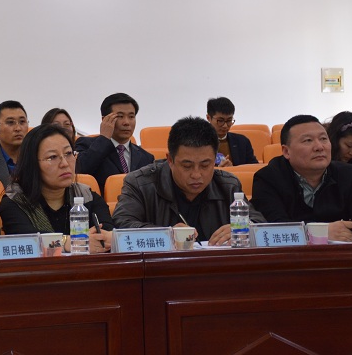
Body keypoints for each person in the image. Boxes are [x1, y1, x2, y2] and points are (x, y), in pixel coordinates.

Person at [112, 116, 264, 244]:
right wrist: (165, 234)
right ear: (170, 160)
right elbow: (121, 224)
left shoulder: (228, 186)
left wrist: (245, 229)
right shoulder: (140, 183)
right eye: (187, 166)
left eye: (205, 165)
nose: (196, 175)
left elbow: (259, 223)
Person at [251, 115, 352, 241]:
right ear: (286, 151)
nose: (319, 147)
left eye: (323, 139)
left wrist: (345, 230)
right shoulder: (268, 178)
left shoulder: (346, 173)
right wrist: (321, 232)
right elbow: (273, 228)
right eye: (308, 140)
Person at [0, 124, 113, 252]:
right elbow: (26, 241)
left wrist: (105, 238)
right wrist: (67, 243)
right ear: (32, 164)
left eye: (68, 153)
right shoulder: (14, 201)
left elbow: (107, 232)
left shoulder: (86, 195)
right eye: (52, 157)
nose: (65, 164)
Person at [75, 93, 155, 193]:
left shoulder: (146, 157)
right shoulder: (86, 145)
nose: (126, 122)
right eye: (120, 116)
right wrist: (104, 138)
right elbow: (80, 171)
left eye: (131, 116)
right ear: (104, 120)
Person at [205, 97, 258, 167]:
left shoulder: (242, 142)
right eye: (220, 121)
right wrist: (217, 170)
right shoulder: (198, 142)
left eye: (229, 120)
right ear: (208, 118)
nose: (225, 125)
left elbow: (253, 167)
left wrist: (233, 170)